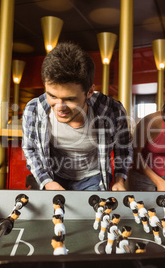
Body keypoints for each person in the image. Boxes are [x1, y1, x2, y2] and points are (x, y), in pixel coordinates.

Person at [22, 42, 133, 191]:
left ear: (89, 92)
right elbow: (30, 150)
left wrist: (120, 180)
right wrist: (47, 182)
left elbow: (123, 148)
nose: (60, 106)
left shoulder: (112, 110)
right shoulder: (33, 110)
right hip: (54, 175)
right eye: (52, 96)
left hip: (93, 178)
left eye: (70, 99)